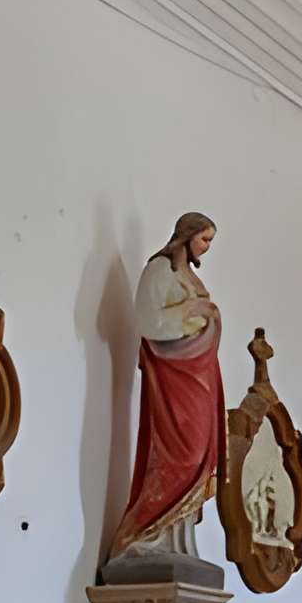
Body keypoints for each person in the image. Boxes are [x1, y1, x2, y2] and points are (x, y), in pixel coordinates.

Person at [109, 214, 223, 560]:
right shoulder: (159, 270)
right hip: (174, 374)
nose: (206, 247)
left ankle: (179, 542)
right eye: (204, 239)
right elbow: (149, 320)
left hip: (199, 374)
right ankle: (146, 535)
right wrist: (195, 308)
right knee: (181, 451)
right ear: (187, 236)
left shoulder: (187, 274)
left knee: (201, 450)